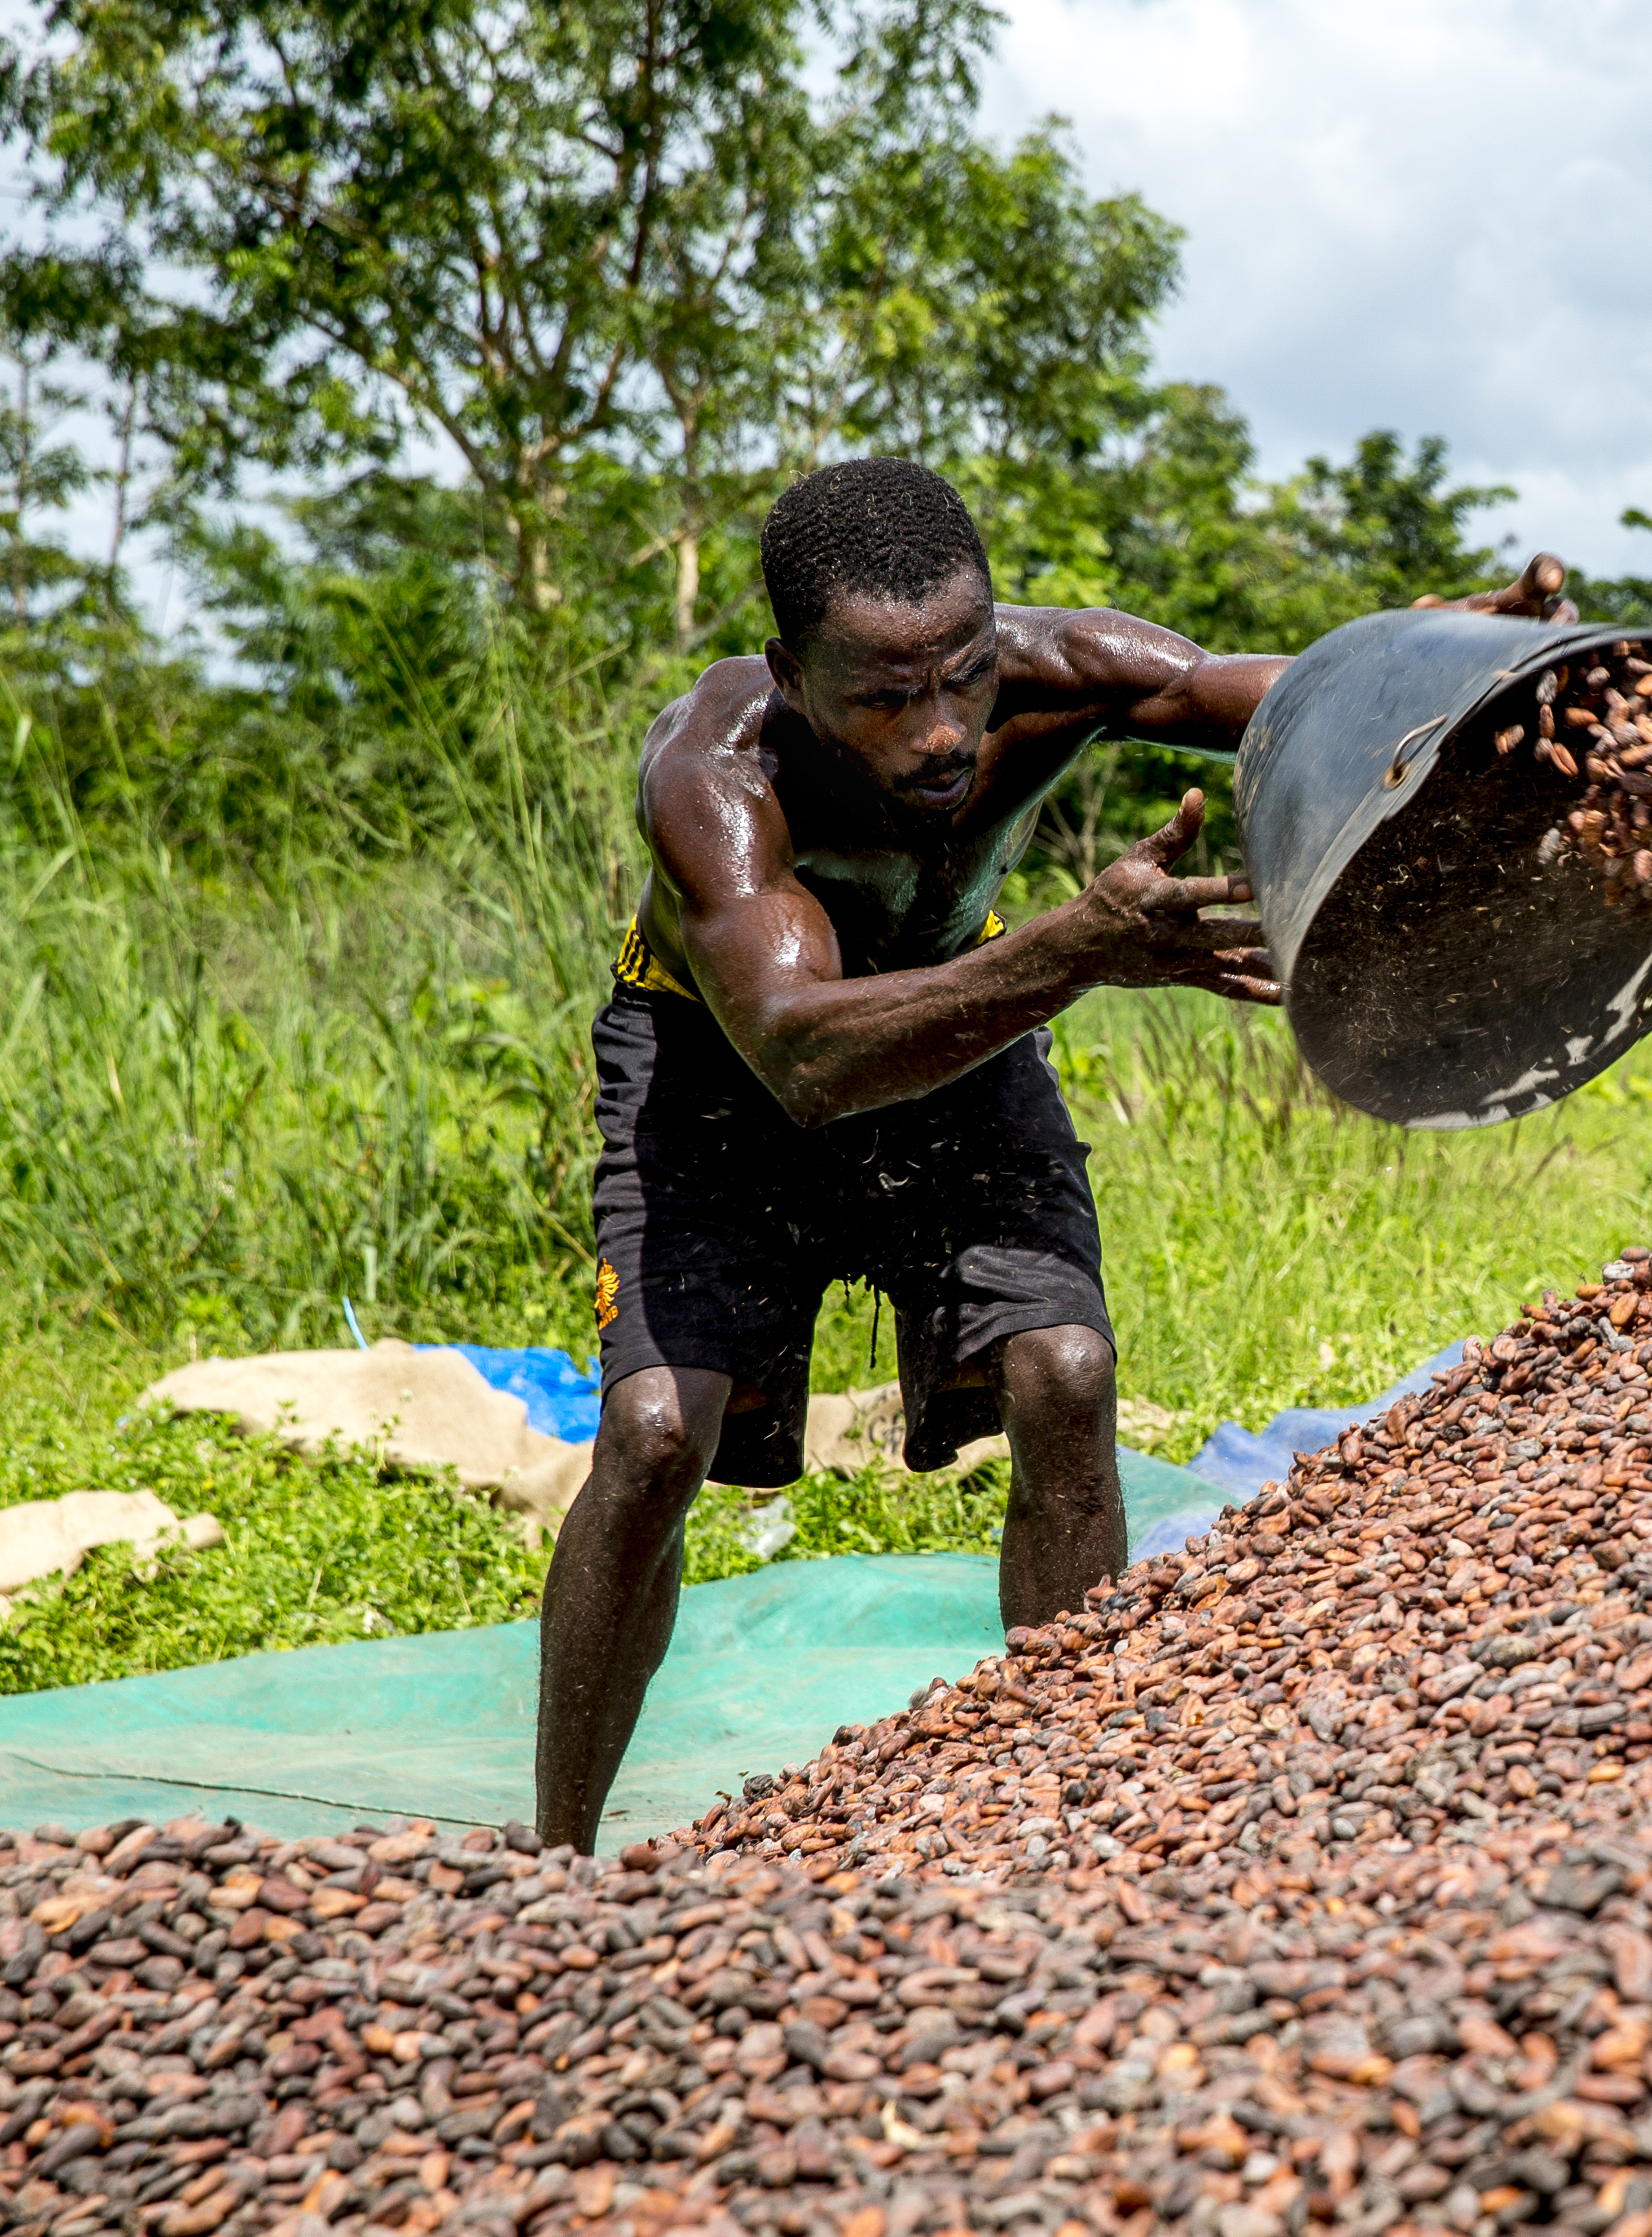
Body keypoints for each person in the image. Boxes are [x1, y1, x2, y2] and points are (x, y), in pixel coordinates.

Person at [535, 456, 1572, 1854]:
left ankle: (1074, 1819)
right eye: (886, 698)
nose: (942, 730)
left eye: (962, 675)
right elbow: (802, 1055)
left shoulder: (1063, 667)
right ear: (790, 673)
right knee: (659, 1437)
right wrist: (1081, 950)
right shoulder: (715, 776)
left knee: (1064, 1372)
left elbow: (1295, 700)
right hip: (727, 1071)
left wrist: (1461, 667)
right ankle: (553, 1863)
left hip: (963, 1028)